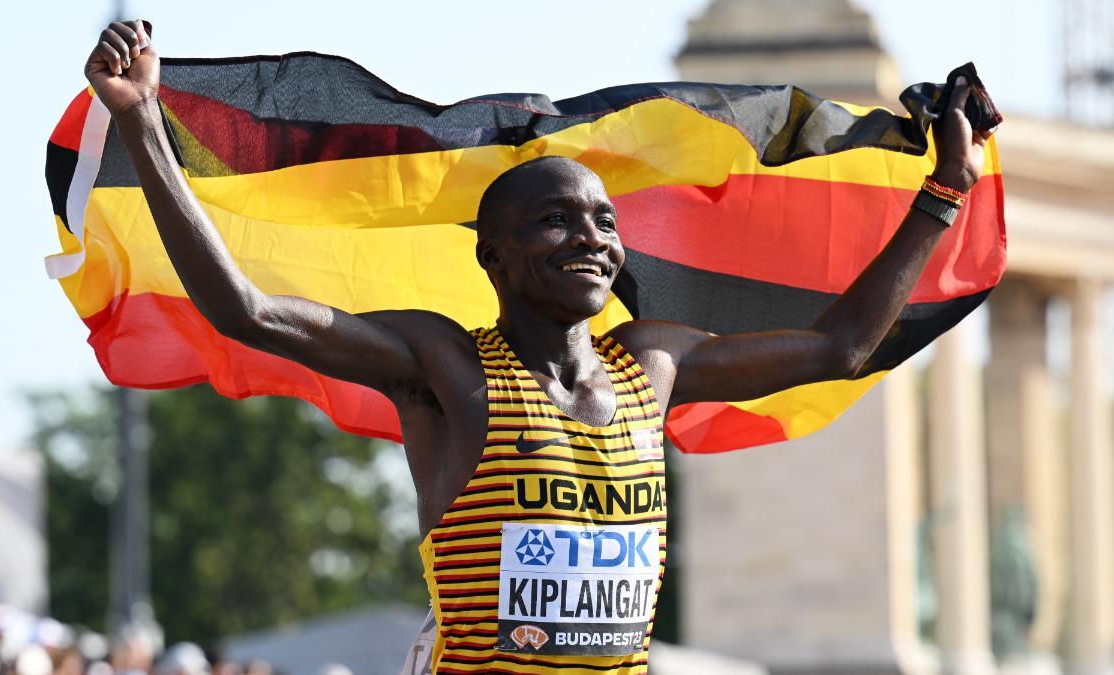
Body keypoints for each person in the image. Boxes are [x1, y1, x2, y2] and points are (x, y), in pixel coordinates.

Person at [85, 20, 994, 674]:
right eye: (555, 221)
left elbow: (839, 346)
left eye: (603, 221)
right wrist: (142, 124)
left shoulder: (655, 363)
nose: (591, 238)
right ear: (494, 254)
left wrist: (944, 193)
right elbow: (245, 310)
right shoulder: (445, 368)